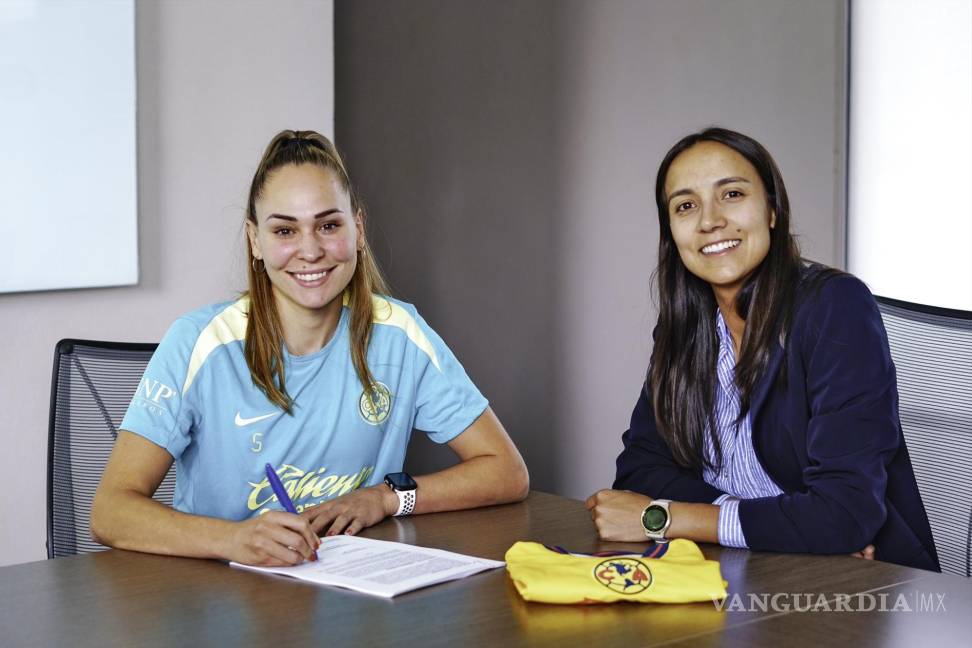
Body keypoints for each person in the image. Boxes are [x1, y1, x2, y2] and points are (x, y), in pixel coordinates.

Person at [92, 129, 529, 566]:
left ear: (358, 229)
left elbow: (506, 471)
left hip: (349, 587)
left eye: (328, 225)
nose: (310, 250)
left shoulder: (401, 333)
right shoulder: (197, 341)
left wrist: (386, 497)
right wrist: (234, 540)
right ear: (255, 241)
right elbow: (110, 511)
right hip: (219, 589)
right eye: (285, 230)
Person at [586, 127, 938, 571]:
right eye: (686, 205)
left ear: (772, 210)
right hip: (753, 570)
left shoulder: (834, 307)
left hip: (863, 585)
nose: (710, 221)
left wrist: (666, 518)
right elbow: (640, 472)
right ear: (672, 232)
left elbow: (845, 513)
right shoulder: (686, 326)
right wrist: (788, 533)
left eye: (732, 194)